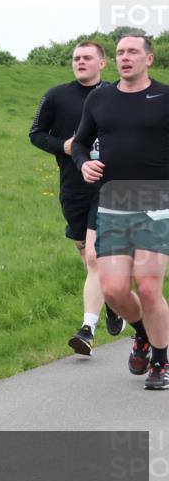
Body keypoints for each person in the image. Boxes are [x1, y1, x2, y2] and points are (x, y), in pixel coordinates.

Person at [73, 34, 169, 390]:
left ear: (149, 59)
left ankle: (161, 360)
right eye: (119, 53)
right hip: (114, 202)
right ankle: (143, 335)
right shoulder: (100, 99)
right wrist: (83, 163)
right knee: (113, 290)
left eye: (132, 52)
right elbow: (81, 142)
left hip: (157, 202)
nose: (124, 58)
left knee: (147, 288)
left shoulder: (165, 97)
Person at [29, 41, 123, 356]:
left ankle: (86, 330)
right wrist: (64, 147)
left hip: (107, 185)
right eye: (76, 58)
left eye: (86, 58)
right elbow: (36, 133)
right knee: (86, 255)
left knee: (95, 256)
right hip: (73, 184)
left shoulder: (115, 95)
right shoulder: (56, 96)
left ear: (102, 63)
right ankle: (113, 301)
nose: (80, 62)